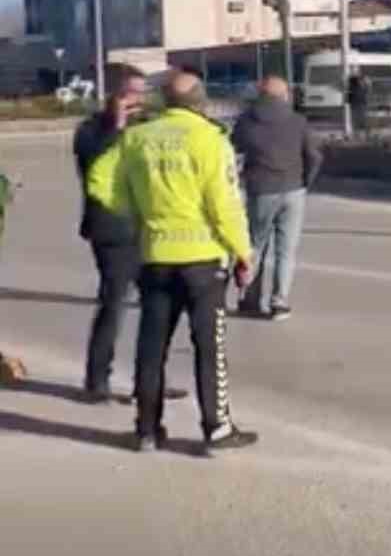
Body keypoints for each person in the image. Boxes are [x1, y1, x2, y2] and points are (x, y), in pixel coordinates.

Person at [89, 70, 256, 454]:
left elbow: (100, 180)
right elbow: (224, 205)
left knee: (152, 347)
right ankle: (217, 429)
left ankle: (147, 429)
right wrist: (243, 252)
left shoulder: (136, 138)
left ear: (164, 102)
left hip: (155, 257)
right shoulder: (210, 140)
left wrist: (135, 209)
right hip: (202, 261)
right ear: (200, 101)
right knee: (208, 347)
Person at [72, 64, 182, 405]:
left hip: (150, 226)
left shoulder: (148, 125)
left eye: (141, 93)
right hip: (113, 230)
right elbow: (93, 165)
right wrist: (117, 126)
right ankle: (96, 379)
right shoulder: (91, 130)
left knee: (157, 308)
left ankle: (149, 382)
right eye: (129, 93)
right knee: (114, 304)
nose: (137, 100)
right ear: (113, 96)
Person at [231, 75, 323, 319]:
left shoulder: (247, 122)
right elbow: (314, 156)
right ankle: (279, 301)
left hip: (261, 189)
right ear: (285, 95)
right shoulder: (297, 121)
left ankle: (250, 298)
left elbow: (232, 151)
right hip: (293, 190)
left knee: (255, 245)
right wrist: (305, 182)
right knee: (286, 250)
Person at [347, 69, 370, 135]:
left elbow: (367, 90)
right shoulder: (352, 82)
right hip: (356, 103)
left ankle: (363, 132)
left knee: (361, 119)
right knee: (357, 119)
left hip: (360, 103)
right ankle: (357, 132)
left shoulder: (363, 82)